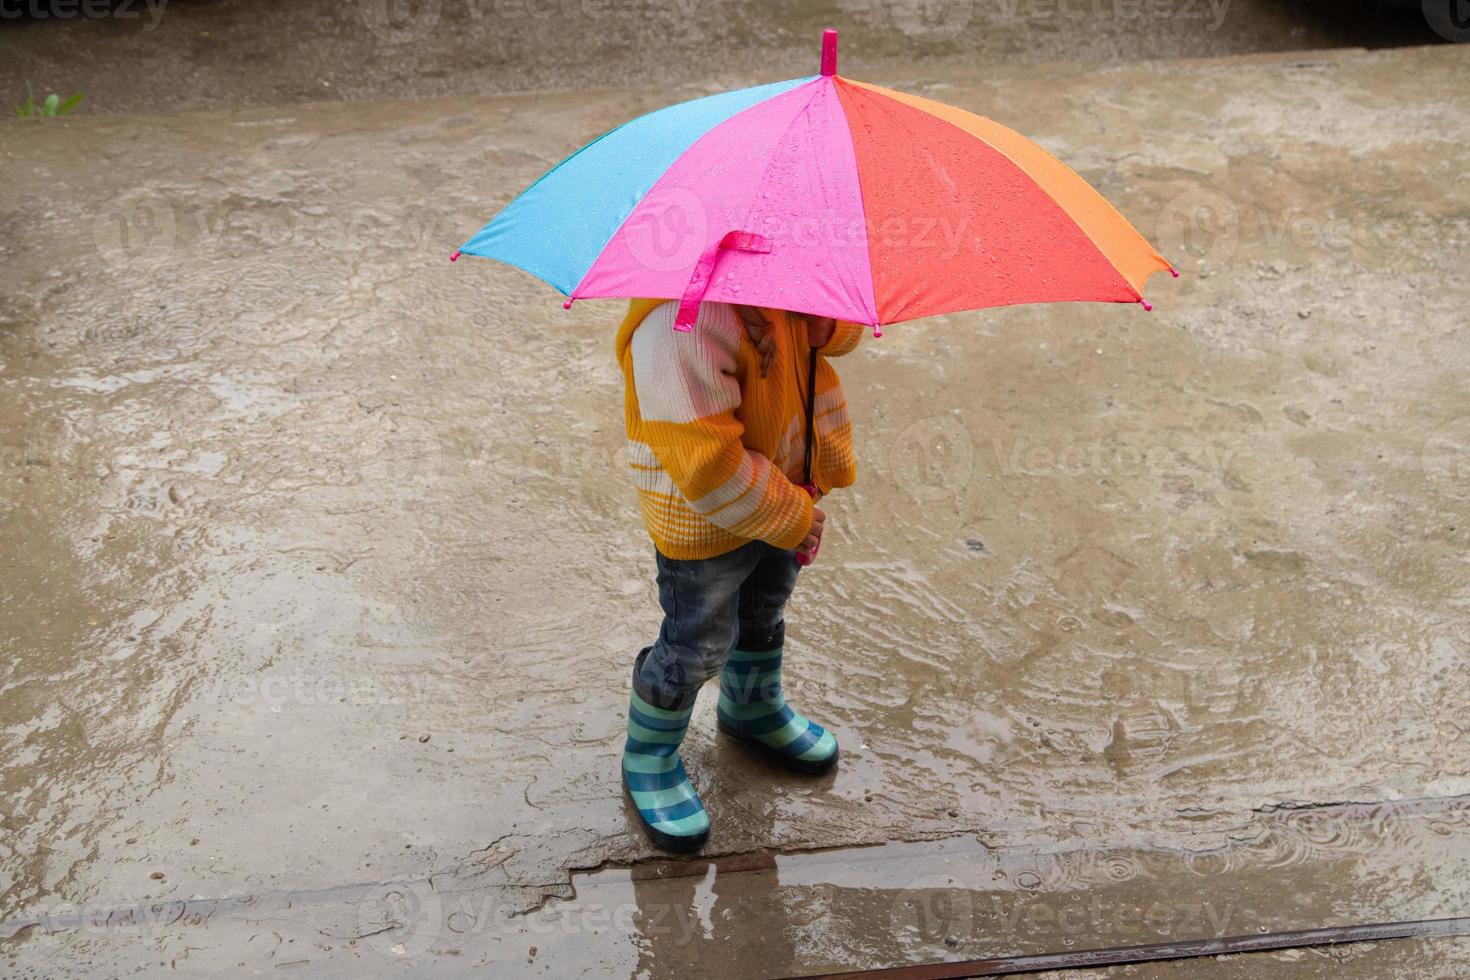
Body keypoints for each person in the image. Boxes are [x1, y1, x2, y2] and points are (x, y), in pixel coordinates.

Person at [613, 298, 866, 851]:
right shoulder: (680, 327)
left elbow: (836, 337)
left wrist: (830, 322)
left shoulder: (786, 280)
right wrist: (790, 518)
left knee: (763, 609)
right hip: (706, 515)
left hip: (781, 485)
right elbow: (705, 461)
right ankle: (649, 756)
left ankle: (750, 708)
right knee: (696, 642)